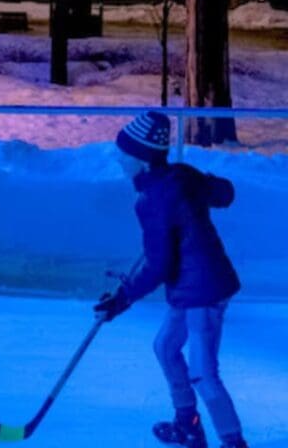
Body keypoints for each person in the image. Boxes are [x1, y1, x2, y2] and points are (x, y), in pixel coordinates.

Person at [94, 110, 247, 448]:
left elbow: (159, 265)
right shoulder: (179, 176)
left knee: (203, 373)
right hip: (190, 286)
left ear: (143, 160)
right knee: (165, 347)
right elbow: (224, 194)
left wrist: (122, 299)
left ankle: (233, 442)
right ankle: (188, 425)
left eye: (125, 153)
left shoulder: (154, 200)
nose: (119, 159)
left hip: (203, 292)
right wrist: (204, 189)